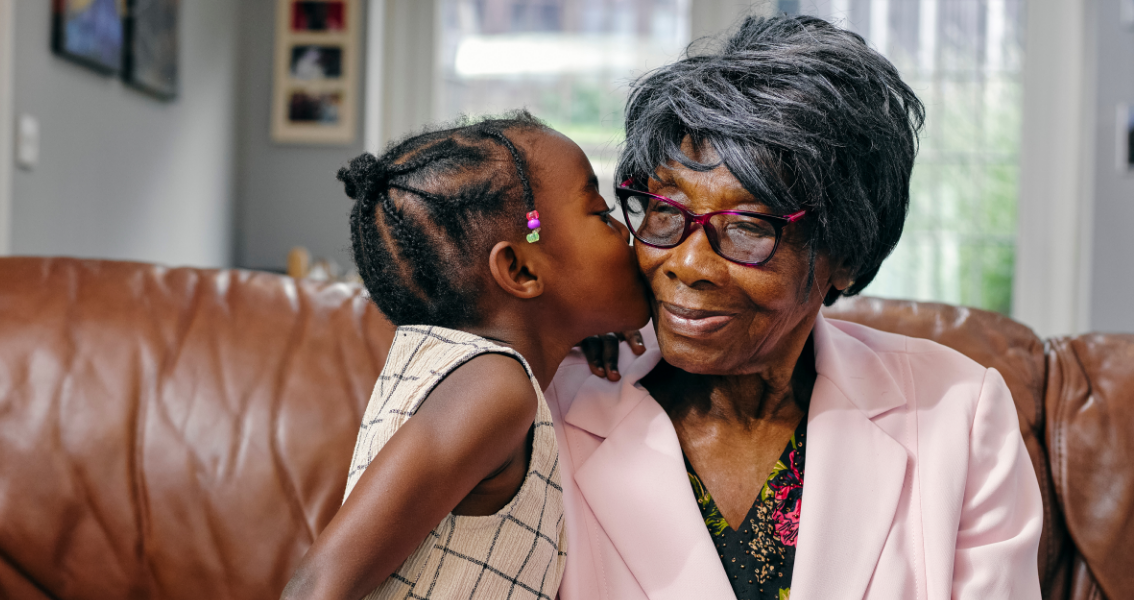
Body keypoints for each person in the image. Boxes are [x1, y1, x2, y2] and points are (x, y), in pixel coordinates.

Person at [550, 16, 1043, 600]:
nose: (687, 264)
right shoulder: (550, 400)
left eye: (748, 226)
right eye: (663, 209)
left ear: (846, 254)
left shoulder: (958, 414)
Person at [281, 112, 650, 600]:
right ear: (519, 270)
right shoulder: (494, 388)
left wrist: (579, 328)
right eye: (600, 213)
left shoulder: (475, 373)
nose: (624, 231)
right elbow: (314, 587)